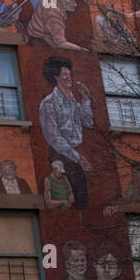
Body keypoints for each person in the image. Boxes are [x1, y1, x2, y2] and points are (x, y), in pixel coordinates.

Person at [39, 56, 95, 209]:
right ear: (55, 77)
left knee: (81, 196)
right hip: (60, 155)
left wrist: (85, 99)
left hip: (74, 153)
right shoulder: (49, 104)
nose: (69, 78)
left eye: (70, 74)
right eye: (65, 75)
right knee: (70, 196)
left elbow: (88, 123)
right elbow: (53, 137)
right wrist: (78, 158)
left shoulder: (73, 102)